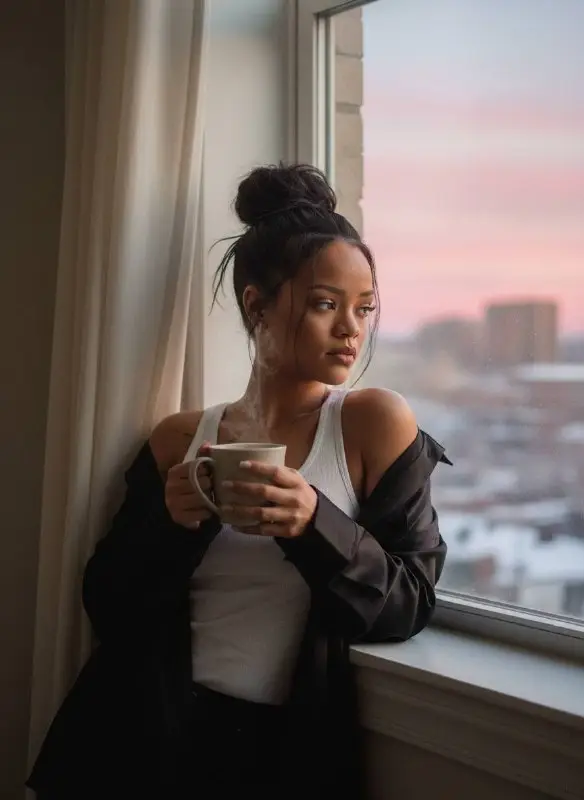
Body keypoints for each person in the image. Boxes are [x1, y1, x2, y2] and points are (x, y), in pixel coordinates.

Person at [27, 163, 449, 800]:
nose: (351, 329)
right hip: (138, 738)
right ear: (257, 305)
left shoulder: (371, 423)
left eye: (364, 308)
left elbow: (409, 603)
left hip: (281, 755)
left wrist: (314, 523)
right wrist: (172, 526)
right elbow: (109, 606)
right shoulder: (180, 438)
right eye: (326, 304)